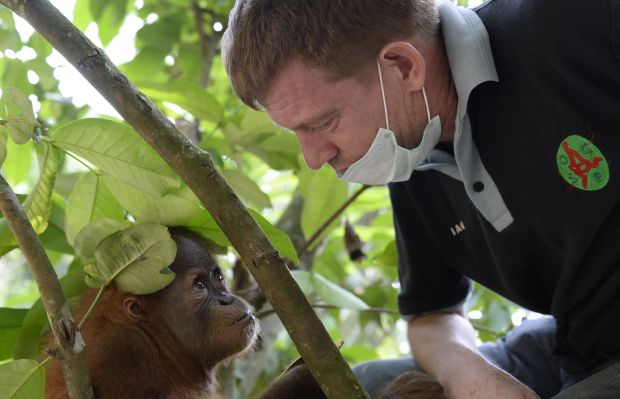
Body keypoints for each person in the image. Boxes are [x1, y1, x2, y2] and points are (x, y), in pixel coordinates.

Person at [221, 0, 620, 397]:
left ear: (403, 66)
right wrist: (466, 371)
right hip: (576, 348)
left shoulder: (573, 22)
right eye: (296, 132)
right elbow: (432, 311)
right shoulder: (412, 159)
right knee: (354, 389)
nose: (313, 157)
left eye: (324, 122)